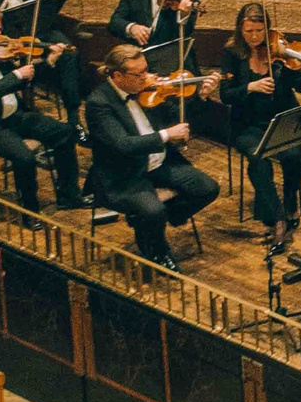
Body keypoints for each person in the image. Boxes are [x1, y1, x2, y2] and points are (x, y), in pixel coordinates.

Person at [82, 46, 223, 268]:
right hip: (125, 176)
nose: (147, 77)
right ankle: (158, 252)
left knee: (207, 188)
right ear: (118, 76)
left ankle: (152, 221)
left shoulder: (149, 92)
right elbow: (123, 145)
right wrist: (167, 135)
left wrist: (201, 96)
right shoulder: (99, 103)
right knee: (152, 210)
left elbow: (179, 119)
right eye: (139, 74)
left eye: (147, 70)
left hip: (159, 164)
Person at [0, 3, 81, 212]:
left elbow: (25, 80)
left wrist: (48, 61)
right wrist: (16, 75)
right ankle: (29, 211)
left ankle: (69, 197)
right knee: (24, 156)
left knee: (64, 133)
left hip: (13, 117)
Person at [217, 3, 301, 255]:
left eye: (260, 31)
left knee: (295, 155)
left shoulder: (279, 51)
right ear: (240, 29)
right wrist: (250, 88)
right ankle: (278, 217)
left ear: (267, 29)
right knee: (257, 158)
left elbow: (300, 86)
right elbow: (226, 95)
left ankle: (291, 201)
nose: (254, 37)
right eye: (248, 31)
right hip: (247, 125)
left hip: (281, 120)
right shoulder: (232, 54)